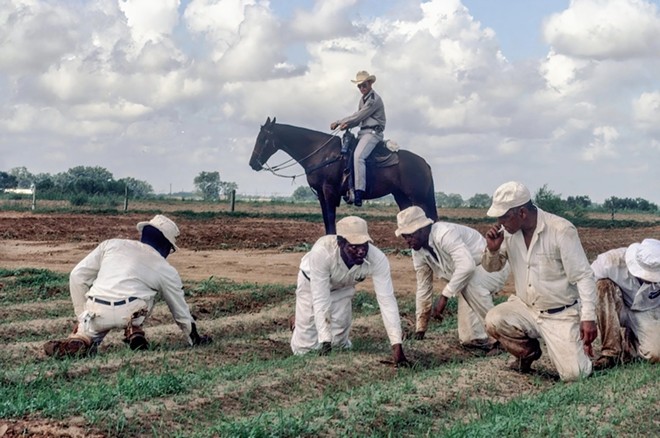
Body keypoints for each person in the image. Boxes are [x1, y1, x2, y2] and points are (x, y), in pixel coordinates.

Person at [43, 214, 212, 357]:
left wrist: (82, 316)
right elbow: (179, 309)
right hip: (131, 311)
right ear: (166, 245)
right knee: (150, 292)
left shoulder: (111, 244)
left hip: (96, 310)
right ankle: (134, 330)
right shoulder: (165, 269)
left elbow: (77, 276)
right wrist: (194, 338)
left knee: (86, 333)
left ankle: (81, 339)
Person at [481, 181, 597, 381]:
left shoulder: (561, 230)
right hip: (526, 308)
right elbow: (493, 267)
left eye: (504, 217)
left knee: (575, 375)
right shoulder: (508, 235)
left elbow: (584, 276)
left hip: (559, 313)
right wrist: (492, 249)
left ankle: (577, 350)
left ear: (522, 213)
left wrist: (588, 317)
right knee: (494, 319)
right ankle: (528, 353)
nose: (500, 223)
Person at [290, 216, 409, 367]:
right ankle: (298, 325)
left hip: (343, 287)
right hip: (312, 285)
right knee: (305, 347)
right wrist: (325, 342)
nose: (361, 252)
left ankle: (321, 334)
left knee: (339, 342)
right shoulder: (322, 252)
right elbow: (321, 298)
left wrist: (397, 346)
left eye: (364, 245)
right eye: (354, 247)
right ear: (340, 243)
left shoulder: (377, 259)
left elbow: (387, 301)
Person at [395, 206, 509, 352]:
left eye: (410, 235)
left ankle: (503, 338)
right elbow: (423, 286)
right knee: (469, 339)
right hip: (468, 278)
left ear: (423, 229)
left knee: (469, 284)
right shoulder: (418, 251)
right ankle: (486, 337)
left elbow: (467, 266)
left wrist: (445, 296)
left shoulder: (443, 233)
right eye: (405, 237)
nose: (407, 241)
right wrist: (421, 327)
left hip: (492, 267)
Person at [590, 238, 660, 369]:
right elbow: (585, 288)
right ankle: (610, 353)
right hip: (616, 306)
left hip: (647, 309)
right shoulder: (609, 261)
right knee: (602, 285)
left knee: (655, 354)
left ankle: (631, 345)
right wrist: (587, 319)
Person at [330, 70, 386, 207]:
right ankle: (347, 188)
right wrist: (346, 125)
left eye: (364, 85)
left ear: (370, 83)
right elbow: (358, 118)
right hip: (363, 132)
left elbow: (360, 116)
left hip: (372, 133)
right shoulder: (363, 99)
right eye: (359, 86)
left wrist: (339, 121)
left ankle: (359, 191)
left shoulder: (373, 99)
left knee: (358, 156)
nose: (362, 88)